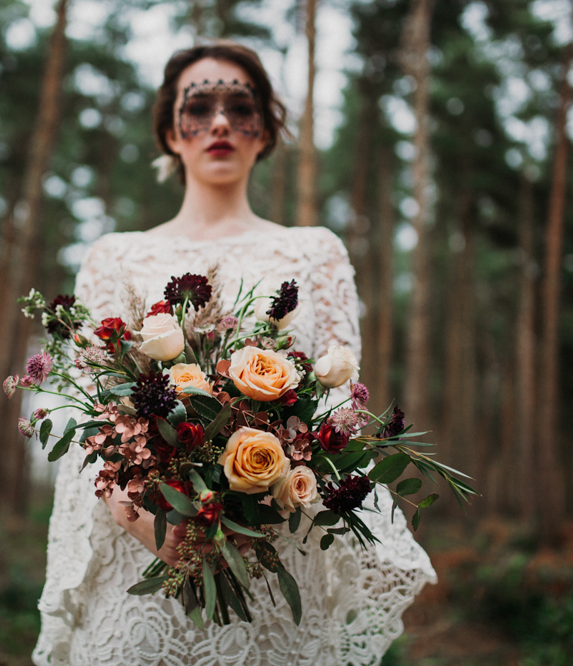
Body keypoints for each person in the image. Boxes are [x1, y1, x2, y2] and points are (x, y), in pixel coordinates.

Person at [33, 41, 436, 666]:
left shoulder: (315, 253)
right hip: (138, 570)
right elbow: (79, 407)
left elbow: (343, 407)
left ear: (265, 130)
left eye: (240, 106)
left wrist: (267, 489)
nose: (219, 122)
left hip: (272, 564)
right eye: (199, 107)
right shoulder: (115, 256)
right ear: (172, 129)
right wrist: (140, 517)